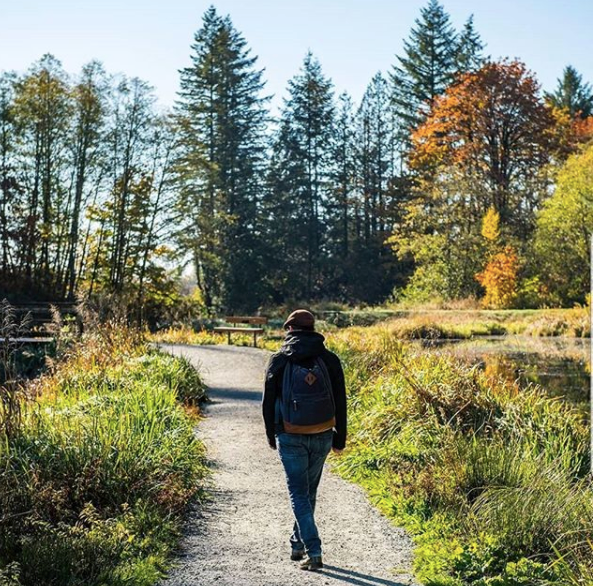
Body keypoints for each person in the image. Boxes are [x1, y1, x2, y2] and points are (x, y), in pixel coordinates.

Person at [262, 309, 347, 571]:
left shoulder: (279, 360)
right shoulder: (330, 359)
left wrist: (271, 435)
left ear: (289, 329)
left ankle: (314, 549)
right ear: (312, 329)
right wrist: (339, 438)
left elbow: (267, 403)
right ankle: (297, 544)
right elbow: (341, 401)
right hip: (322, 432)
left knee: (299, 494)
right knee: (308, 492)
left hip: (290, 434)